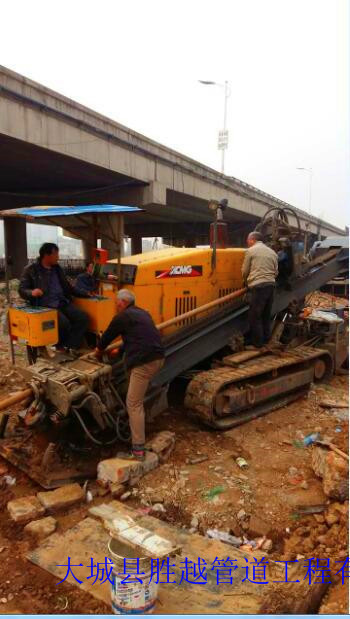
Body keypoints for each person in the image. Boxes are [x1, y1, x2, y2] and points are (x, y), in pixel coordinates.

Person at [95, 289, 164, 461]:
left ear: (122, 302)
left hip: (144, 362)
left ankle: (138, 451)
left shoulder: (122, 316)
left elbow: (107, 337)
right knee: (135, 399)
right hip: (157, 357)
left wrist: (97, 352)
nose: (115, 306)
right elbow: (136, 336)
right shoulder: (142, 313)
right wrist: (121, 351)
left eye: (116, 303)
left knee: (133, 403)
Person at [19, 242, 89, 352]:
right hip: (46, 305)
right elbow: (22, 290)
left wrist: (85, 294)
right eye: (56, 254)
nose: (58, 257)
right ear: (47, 255)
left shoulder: (57, 268)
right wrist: (32, 292)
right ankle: (60, 346)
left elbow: (68, 287)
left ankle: (69, 347)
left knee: (82, 318)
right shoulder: (31, 269)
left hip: (62, 302)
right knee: (63, 323)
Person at [241, 231, 278, 349]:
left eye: (248, 240)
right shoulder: (273, 253)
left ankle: (257, 344)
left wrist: (245, 283)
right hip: (271, 286)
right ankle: (266, 340)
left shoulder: (250, 251)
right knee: (266, 314)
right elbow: (276, 272)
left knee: (254, 316)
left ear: (252, 240)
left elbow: (245, 271)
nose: (247, 243)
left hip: (258, 286)